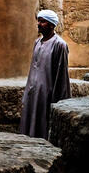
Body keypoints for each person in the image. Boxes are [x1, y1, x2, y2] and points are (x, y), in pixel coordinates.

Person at [19, 9, 71, 140]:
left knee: (43, 125)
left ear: (52, 25)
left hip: (46, 94)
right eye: (38, 21)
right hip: (33, 91)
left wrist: (59, 101)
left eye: (43, 21)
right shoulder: (37, 43)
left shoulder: (60, 45)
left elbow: (61, 76)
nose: (39, 24)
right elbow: (33, 69)